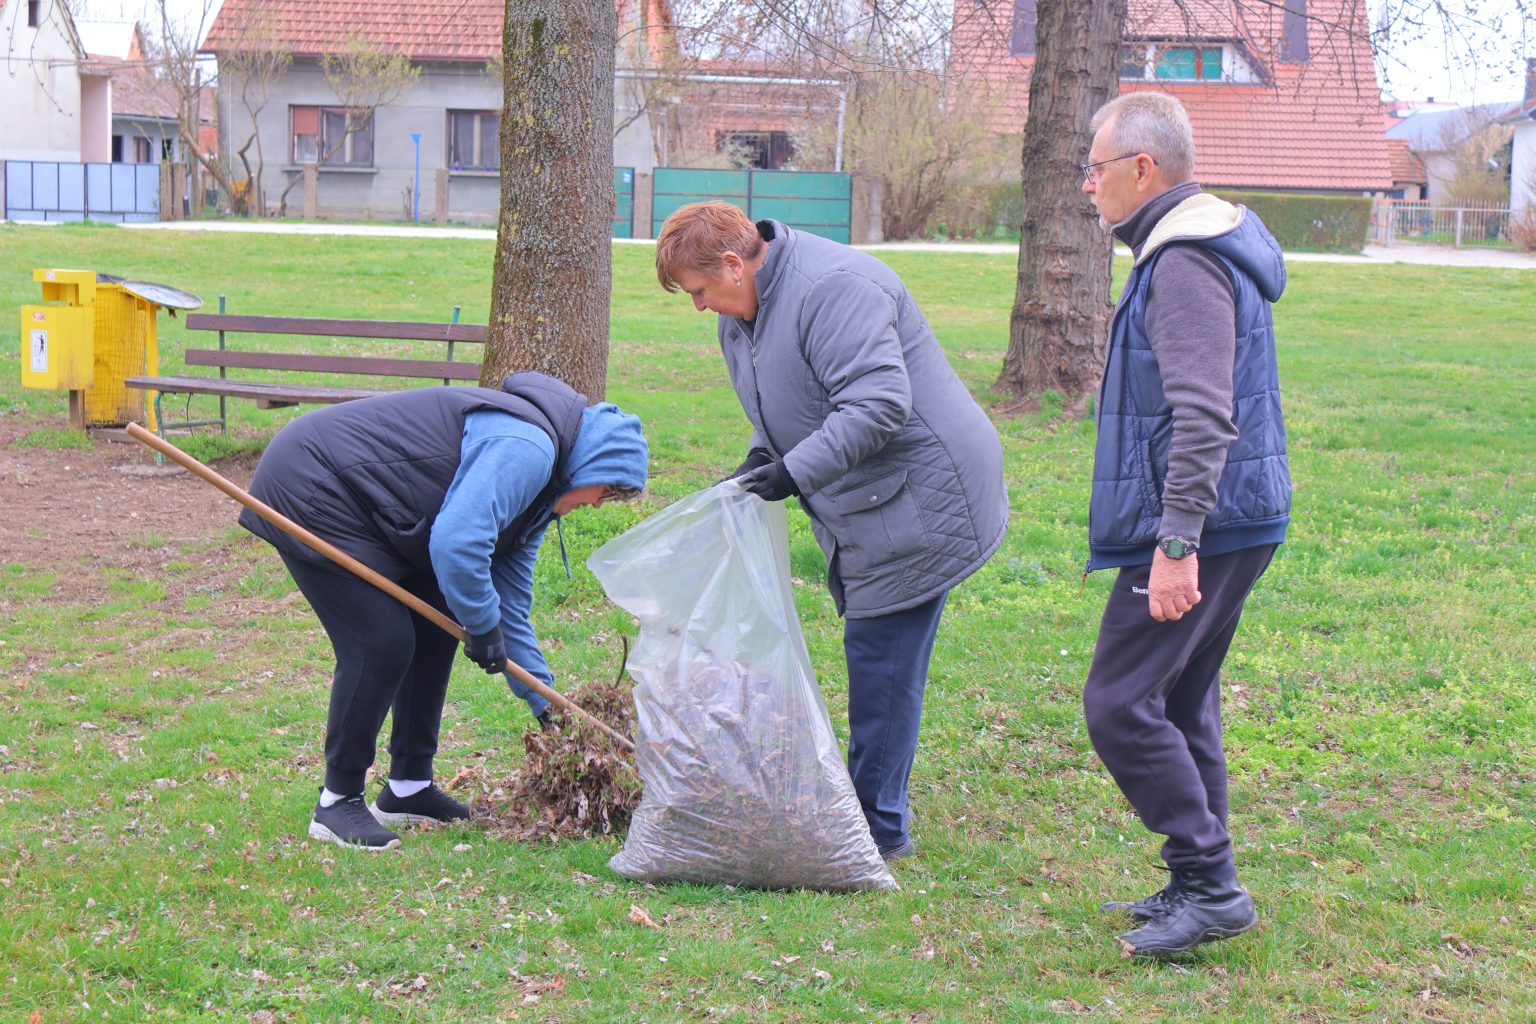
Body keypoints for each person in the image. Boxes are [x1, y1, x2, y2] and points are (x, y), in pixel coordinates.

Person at [654, 201, 1008, 863]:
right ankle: (871, 809)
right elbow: (783, 397)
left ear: (734, 263)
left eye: (699, 292)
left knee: (881, 656)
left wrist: (793, 473)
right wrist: (762, 459)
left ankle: (876, 831)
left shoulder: (834, 290)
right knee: (879, 649)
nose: (699, 307)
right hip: (869, 494)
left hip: (923, 495)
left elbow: (878, 404)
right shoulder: (744, 314)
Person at [239, 372, 648, 851]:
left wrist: (548, 710)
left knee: (436, 627)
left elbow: (510, 608)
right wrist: (481, 623)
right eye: (607, 490)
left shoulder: (539, 502)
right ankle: (337, 800)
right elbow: (457, 543)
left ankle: (408, 788)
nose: (600, 505)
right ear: (590, 465)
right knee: (382, 641)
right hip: (314, 484)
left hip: (382, 513)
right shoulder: (527, 449)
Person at [1078, 92, 1291, 956]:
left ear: (1143, 169)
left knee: (1120, 703)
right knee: (1181, 698)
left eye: (1096, 170)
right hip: (1239, 514)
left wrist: (1176, 543)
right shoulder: (1186, 247)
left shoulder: (1186, 263)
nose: (1086, 188)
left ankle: (1210, 883)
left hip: (1206, 519)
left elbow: (1204, 416)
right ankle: (1198, 882)